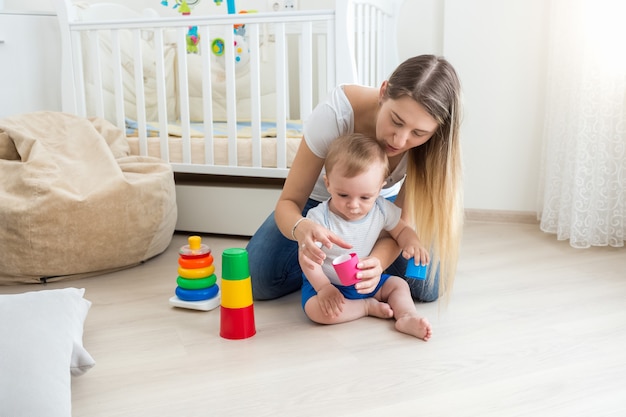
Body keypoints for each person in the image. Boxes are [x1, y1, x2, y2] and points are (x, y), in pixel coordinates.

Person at [246, 54, 463, 303]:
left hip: (379, 206)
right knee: (257, 280)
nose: (400, 141)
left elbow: (400, 224)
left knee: (430, 286)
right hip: (317, 205)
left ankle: (356, 260)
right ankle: (328, 269)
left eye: (418, 133)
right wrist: (302, 229)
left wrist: (378, 263)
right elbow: (289, 202)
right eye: (396, 121)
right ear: (383, 92)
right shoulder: (335, 115)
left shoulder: (431, 148)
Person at [301, 133, 432, 340]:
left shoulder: (381, 209)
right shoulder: (319, 218)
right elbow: (307, 258)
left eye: (365, 197)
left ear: (380, 188)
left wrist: (412, 242)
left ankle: (407, 316)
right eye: (343, 195)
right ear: (328, 184)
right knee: (315, 310)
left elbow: (401, 230)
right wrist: (323, 288)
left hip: (369, 282)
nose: (353, 205)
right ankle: (365, 307)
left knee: (399, 285)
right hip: (330, 285)